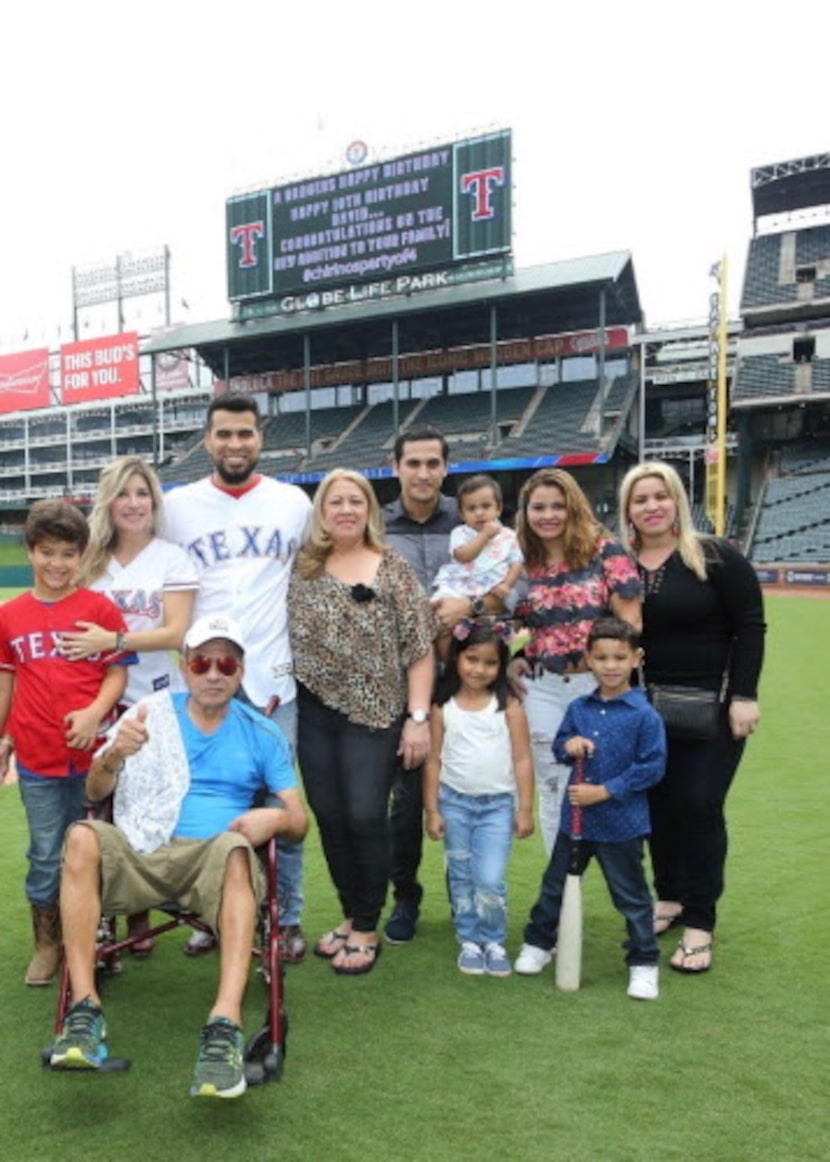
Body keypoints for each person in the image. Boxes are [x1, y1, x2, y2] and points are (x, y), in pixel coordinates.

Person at [48, 614, 308, 1099]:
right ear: (185, 667)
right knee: (82, 835)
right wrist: (113, 757)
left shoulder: (262, 732)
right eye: (202, 661)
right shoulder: (148, 715)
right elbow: (94, 790)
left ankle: (224, 1027)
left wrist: (273, 820)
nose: (214, 673)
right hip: (143, 849)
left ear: (241, 670)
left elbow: (298, 820)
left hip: (212, 861)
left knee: (234, 849)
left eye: (226, 663)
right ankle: (84, 1011)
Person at [164, 392, 312, 963]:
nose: (234, 444)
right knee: (207, 801)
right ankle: (209, 914)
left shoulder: (292, 503)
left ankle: (287, 919)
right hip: (202, 678)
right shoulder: (177, 506)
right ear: (207, 440)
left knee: (281, 805)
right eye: (223, 434)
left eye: (244, 433)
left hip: (272, 677)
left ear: (260, 439)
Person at [619, 461, 765, 974]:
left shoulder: (715, 555)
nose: (652, 506)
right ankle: (672, 897)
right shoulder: (621, 565)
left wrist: (745, 695)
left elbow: (750, 626)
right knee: (657, 804)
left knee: (699, 804)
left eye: (661, 495)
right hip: (644, 709)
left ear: (678, 499)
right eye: (641, 499)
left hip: (713, 703)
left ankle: (701, 921)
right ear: (628, 510)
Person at [288, 469, 435, 975]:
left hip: (377, 713)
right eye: (336, 502)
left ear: (369, 509)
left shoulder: (392, 568)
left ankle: (369, 923)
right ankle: (351, 915)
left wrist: (417, 720)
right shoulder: (303, 568)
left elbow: (419, 652)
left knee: (366, 814)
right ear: (322, 512)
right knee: (329, 815)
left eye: (356, 501)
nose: (346, 510)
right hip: (314, 709)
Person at [60, 455, 199, 955]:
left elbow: (177, 631)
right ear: (109, 501)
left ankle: (144, 906)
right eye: (124, 494)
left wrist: (112, 637)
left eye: (143, 494)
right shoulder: (89, 558)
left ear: (154, 502)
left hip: (157, 695)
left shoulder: (171, 557)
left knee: (152, 802)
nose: (134, 503)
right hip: (95, 696)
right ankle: (103, 918)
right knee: (100, 802)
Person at [0, 500, 133, 986]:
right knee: (44, 853)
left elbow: (118, 674)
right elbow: (7, 683)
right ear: (31, 552)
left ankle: (100, 936)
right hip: (37, 759)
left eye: (68, 554)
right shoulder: (10, 615)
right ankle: (48, 942)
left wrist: (97, 714)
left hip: (95, 759)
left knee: (102, 849)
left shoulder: (98, 608)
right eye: (47, 552)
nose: (57, 564)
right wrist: (4, 737)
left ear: (83, 556)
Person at [382, 428, 502, 944]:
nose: (424, 472)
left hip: (465, 679)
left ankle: (468, 896)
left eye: (433, 463)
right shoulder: (376, 524)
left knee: (466, 791)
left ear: (446, 468)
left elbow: (507, 593)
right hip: (397, 682)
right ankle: (405, 894)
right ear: (396, 467)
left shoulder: (475, 516)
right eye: (414, 463)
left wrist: (470, 608)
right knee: (404, 803)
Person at [514, 618, 666, 1000]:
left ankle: (644, 963)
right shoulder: (579, 707)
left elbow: (651, 767)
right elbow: (559, 745)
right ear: (589, 660)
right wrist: (570, 746)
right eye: (601, 657)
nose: (610, 665)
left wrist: (605, 792)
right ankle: (538, 943)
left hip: (621, 825)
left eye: (619, 657)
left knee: (631, 897)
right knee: (553, 888)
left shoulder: (644, 714)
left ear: (636, 658)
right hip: (575, 824)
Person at [510, 468, 643, 854]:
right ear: (526, 512)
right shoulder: (523, 561)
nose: (548, 515)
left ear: (573, 507)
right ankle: (563, 887)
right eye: (538, 507)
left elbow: (630, 623)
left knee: (607, 784)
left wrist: (611, 673)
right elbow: (513, 623)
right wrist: (514, 656)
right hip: (544, 688)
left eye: (557, 506)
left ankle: (623, 879)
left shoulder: (606, 552)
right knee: (554, 788)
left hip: (598, 689)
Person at [423, 618, 534, 976]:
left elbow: (522, 758)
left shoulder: (509, 706)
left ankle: (494, 939)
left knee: (488, 878)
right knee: (460, 875)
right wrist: (432, 810)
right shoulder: (443, 707)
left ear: (501, 666)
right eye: (472, 659)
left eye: (490, 662)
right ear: (457, 658)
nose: (479, 669)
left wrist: (525, 809)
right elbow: (433, 760)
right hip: (455, 803)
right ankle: (469, 939)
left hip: (496, 807)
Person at [431, 474, 523, 657]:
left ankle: (513, 654)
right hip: (461, 584)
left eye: (486, 506)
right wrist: (484, 536)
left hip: (493, 587)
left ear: (498, 508)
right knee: (439, 617)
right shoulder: (460, 533)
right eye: (471, 508)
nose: (479, 512)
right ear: (462, 514)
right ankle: (445, 662)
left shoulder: (509, 535)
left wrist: (507, 584)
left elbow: (517, 562)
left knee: (511, 625)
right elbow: (463, 556)